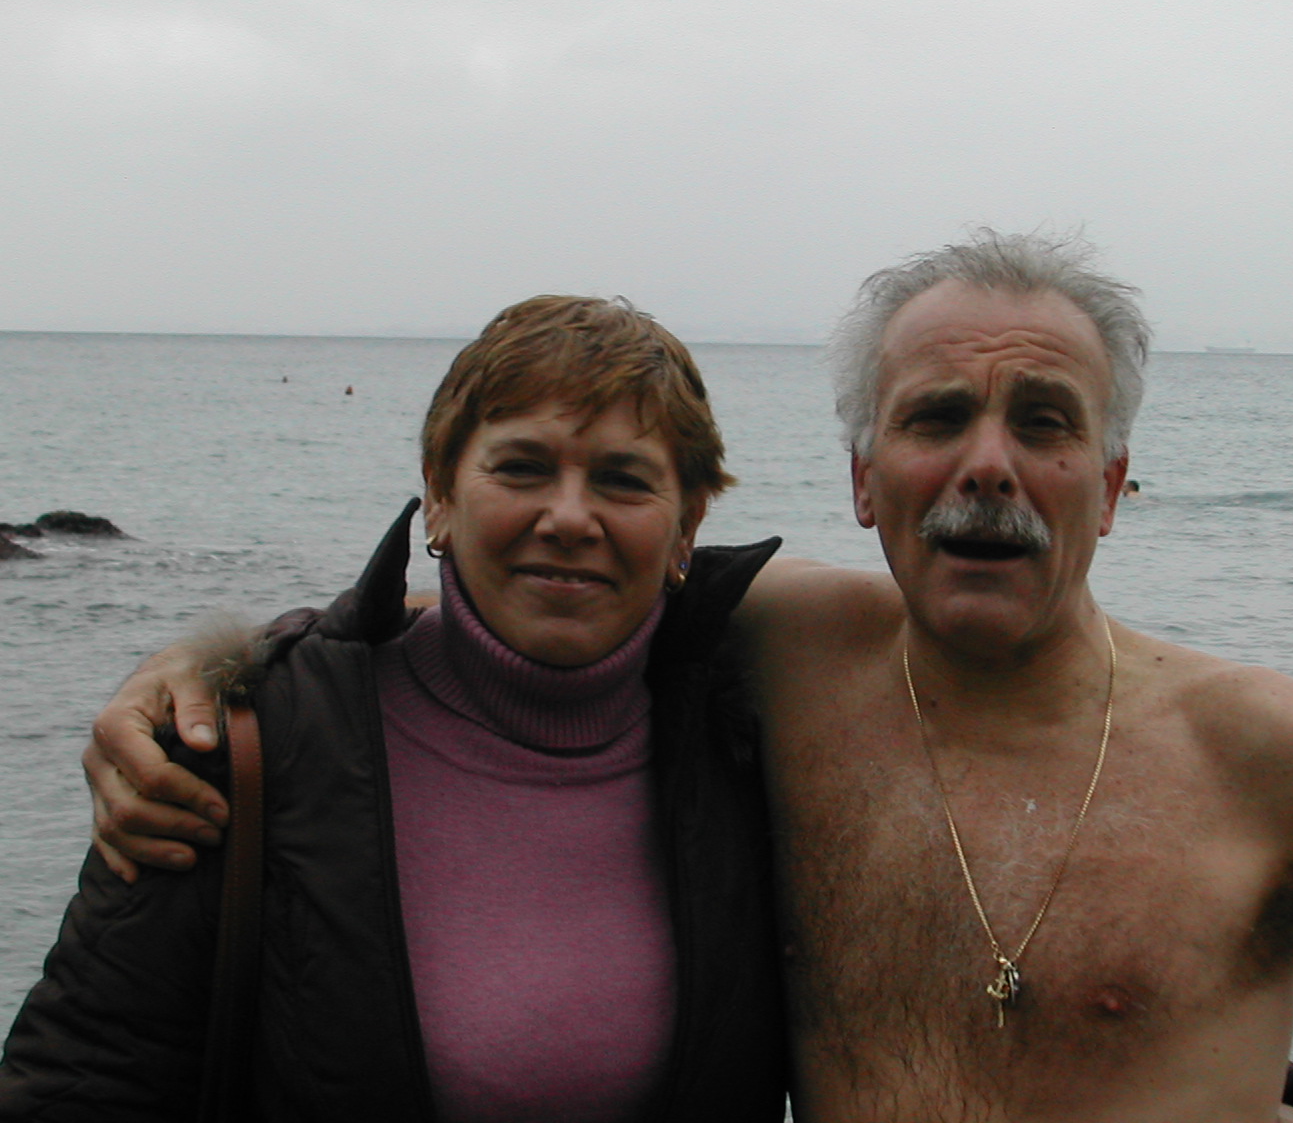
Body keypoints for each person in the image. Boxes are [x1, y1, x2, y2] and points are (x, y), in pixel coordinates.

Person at [77, 231, 1293, 1120]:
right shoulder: (789, 654)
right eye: (935, 418)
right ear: (864, 481)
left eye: (1044, 423)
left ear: (1114, 485)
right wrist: (194, 672)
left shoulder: (1266, 753)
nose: (987, 466)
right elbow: (511, 601)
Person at [0, 296, 789, 1120]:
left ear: (687, 526)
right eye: (521, 468)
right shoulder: (252, 740)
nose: (567, 517)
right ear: (439, 498)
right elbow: (83, 1080)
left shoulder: (751, 743)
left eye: (622, 480)